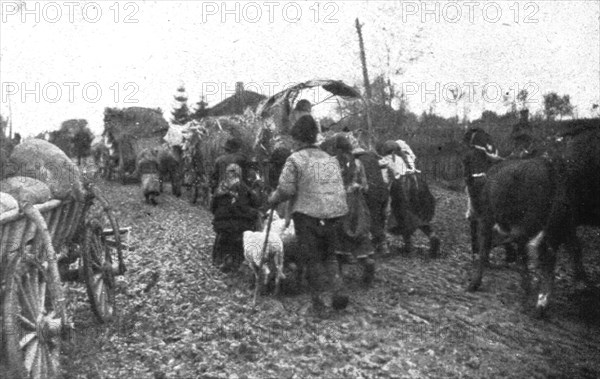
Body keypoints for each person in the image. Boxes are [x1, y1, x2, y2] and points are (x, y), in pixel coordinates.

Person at [267, 115, 350, 312]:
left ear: (298, 138)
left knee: (312, 258)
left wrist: (273, 199)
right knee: (329, 256)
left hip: (307, 216)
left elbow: (286, 190)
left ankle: (319, 303)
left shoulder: (295, 159)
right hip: (332, 215)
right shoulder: (329, 160)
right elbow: (337, 188)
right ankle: (338, 290)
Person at [326, 134, 376, 285]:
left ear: (337, 149)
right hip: (357, 202)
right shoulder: (358, 163)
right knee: (360, 230)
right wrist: (356, 187)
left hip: (339, 202)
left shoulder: (332, 163)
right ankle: (366, 261)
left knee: (337, 232)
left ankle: (339, 275)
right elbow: (365, 186)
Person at [211, 163, 260, 272]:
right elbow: (256, 202)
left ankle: (220, 259)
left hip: (222, 225)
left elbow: (212, 207)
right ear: (240, 174)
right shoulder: (245, 188)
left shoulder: (220, 188)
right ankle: (237, 261)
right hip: (241, 225)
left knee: (223, 234)